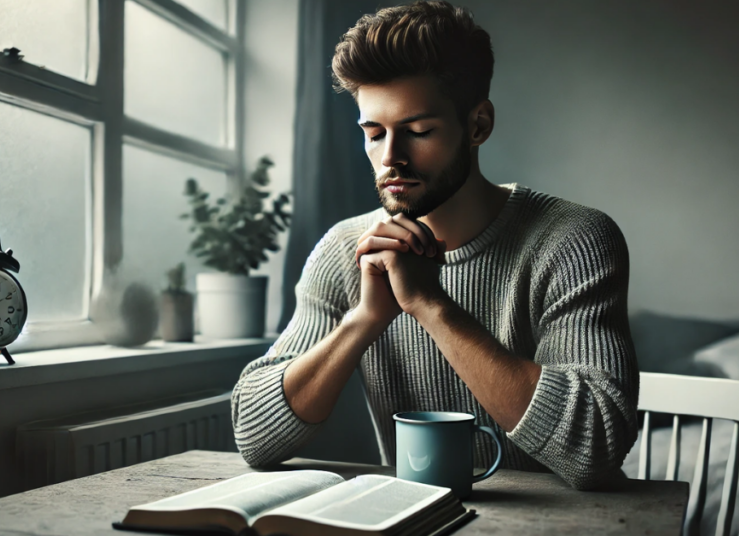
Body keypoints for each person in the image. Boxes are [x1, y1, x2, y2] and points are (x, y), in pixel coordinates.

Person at [231, 0, 638, 490]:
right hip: (413, 515)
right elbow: (254, 435)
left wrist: (430, 305)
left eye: (418, 131)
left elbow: (594, 447)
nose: (390, 159)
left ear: (478, 126)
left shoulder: (574, 239)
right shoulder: (346, 248)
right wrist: (363, 320)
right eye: (374, 133)